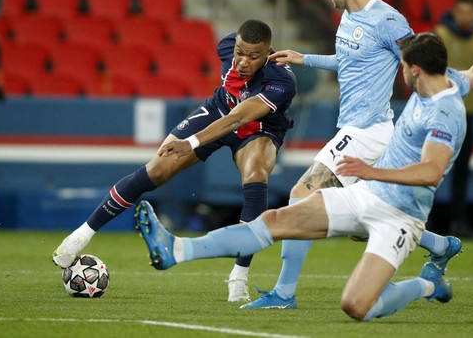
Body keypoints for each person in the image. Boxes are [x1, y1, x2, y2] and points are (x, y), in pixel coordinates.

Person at [135, 33, 473, 321]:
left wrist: (370, 171)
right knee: (279, 218)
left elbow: (430, 171)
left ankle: (429, 284)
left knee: (357, 306)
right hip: (367, 195)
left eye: (403, 69)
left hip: (400, 216)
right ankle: (177, 250)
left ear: (413, 70)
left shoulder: (445, 114)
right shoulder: (445, 82)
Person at [228, 0, 459, 309]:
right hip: (363, 130)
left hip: (367, 131)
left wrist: (458, 85)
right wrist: (305, 58)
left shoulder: (387, 20)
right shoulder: (349, 19)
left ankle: (284, 294)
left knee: (301, 197)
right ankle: (442, 246)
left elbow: (422, 60)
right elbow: (350, 61)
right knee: (366, 218)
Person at [52, 19, 297, 303]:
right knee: (157, 169)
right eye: (240, 52)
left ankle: (238, 276)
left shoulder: (281, 80)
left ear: (268, 53)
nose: (242, 61)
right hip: (217, 111)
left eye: (253, 56)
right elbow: (227, 111)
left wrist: (191, 142)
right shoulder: (226, 45)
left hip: (258, 129)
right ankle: (80, 236)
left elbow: (240, 118)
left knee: (256, 173)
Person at [434, 0, 473, 237]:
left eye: (469, 12)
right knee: (433, 167)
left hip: (467, 114)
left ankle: (459, 222)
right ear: (454, 11)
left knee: (462, 171)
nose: (465, 16)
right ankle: (424, 220)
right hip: (440, 113)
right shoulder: (442, 34)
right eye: (462, 11)